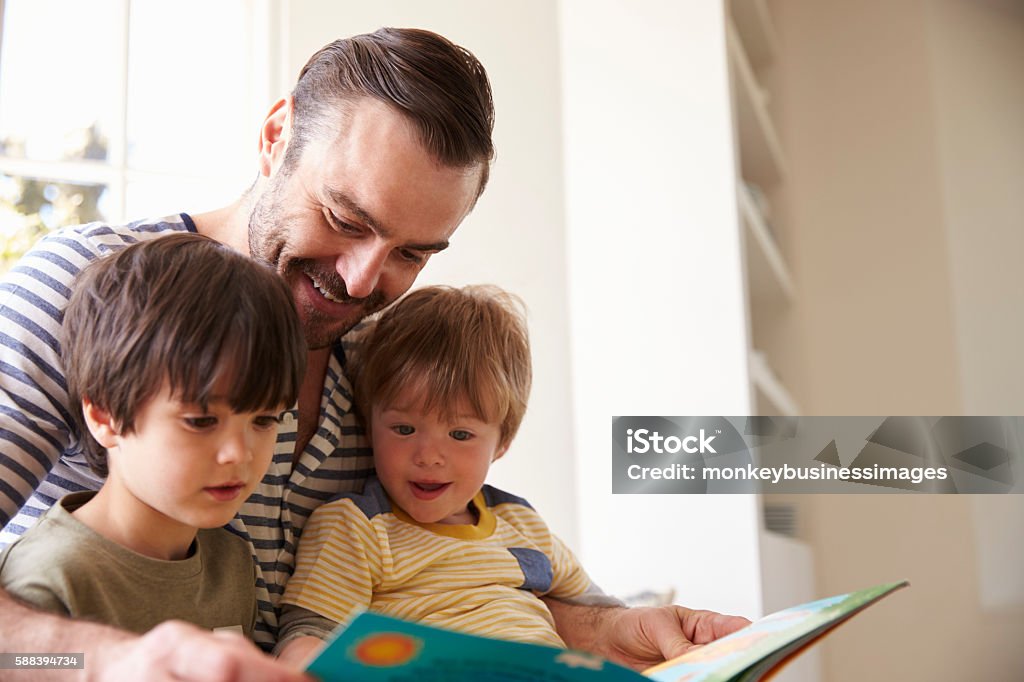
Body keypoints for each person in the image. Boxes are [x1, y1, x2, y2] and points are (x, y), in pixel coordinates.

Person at [0, 27, 748, 681]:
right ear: (274, 138)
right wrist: (112, 660)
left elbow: (440, 573)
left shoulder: (388, 359)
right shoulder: (84, 288)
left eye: (412, 253)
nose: (361, 281)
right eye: (344, 218)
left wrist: (602, 631)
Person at [274, 285, 603, 665]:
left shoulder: (523, 523)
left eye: (460, 435)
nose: (429, 457)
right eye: (404, 429)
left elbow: (601, 611)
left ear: (502, 442)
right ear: (368, 425)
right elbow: (309, 637)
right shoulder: (355, 527)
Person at [1, 233, 304, 636]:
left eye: (264, 420)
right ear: (105, 417)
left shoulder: (232, 562)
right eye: (200, 421)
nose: (238, 453)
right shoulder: (46, 577)